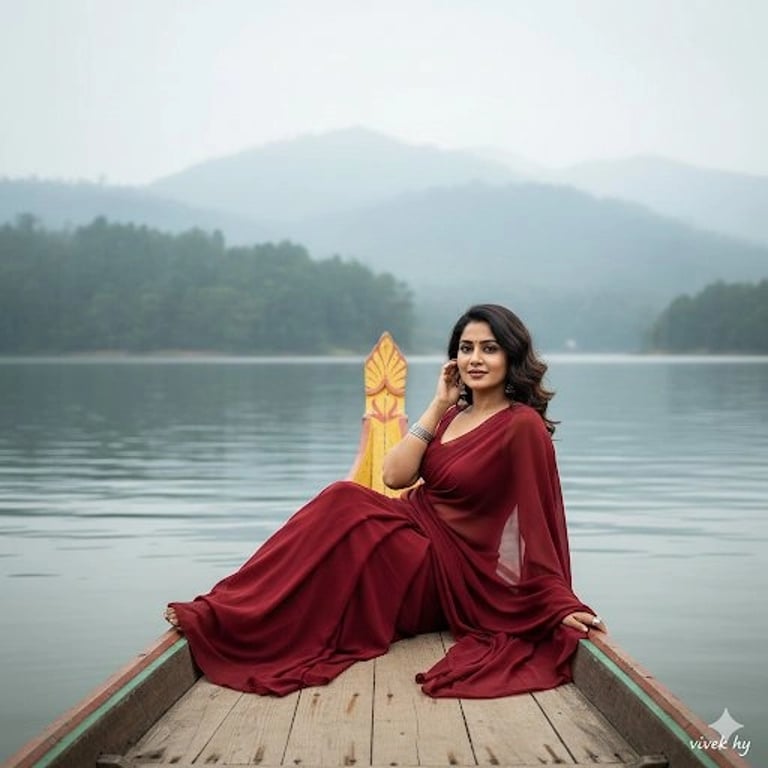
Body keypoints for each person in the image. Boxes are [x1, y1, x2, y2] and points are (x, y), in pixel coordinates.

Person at [165, 303, 603, 698]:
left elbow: (539, 523)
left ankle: (237, 617)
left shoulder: (522, 426)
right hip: (413, 523)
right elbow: (394, 477)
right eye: (466, 348)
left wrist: (556, 601)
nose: (475, 359)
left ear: (511, 356)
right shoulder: (452, 414)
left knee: (347, 511)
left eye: (489, 349)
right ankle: (230, 609)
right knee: (341, 499)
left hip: (451, 569)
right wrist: (437, 404)